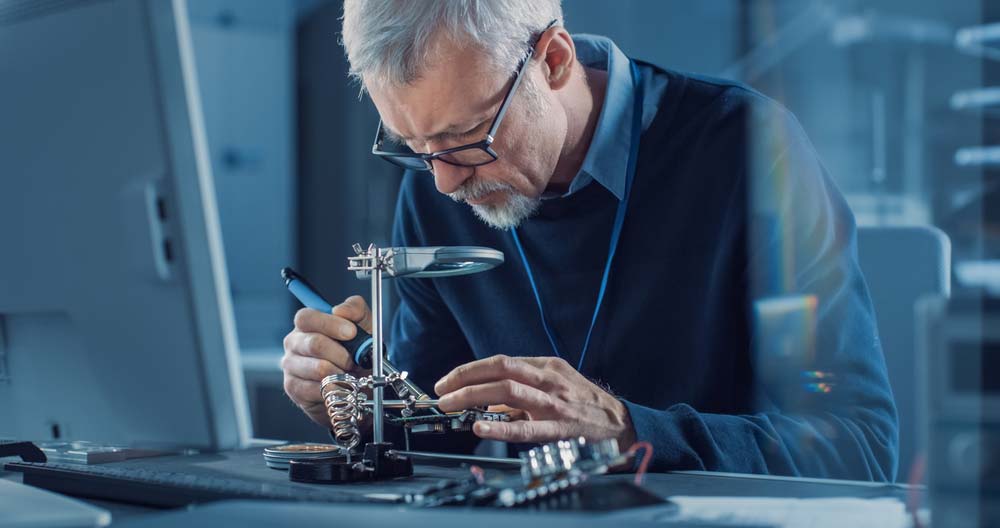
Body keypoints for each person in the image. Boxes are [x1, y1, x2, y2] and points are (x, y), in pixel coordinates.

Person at [281, 0, 898, 480]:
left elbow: (859, 446)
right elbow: (442, 427)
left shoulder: (748, 151)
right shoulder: (439, 183)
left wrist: (631, 431)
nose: (443, 184)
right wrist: (358, 409)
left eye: (468, 137)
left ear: (553, 59)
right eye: (415, 149)